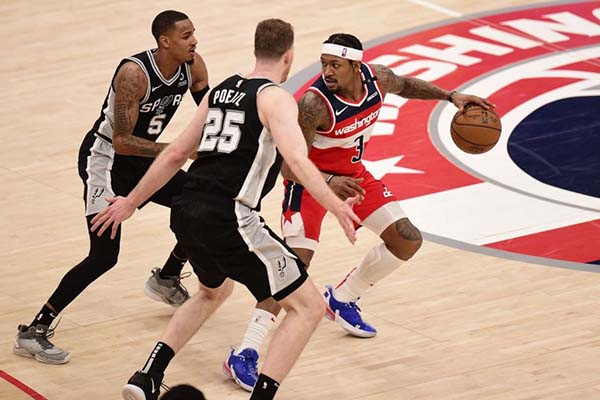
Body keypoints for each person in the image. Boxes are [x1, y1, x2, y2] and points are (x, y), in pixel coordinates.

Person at [90, 18, 360, 400]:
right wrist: (336, 206)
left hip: (186, 210)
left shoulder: (221, 91)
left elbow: (176, 153)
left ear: (256, 50)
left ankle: (146, 376)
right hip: (231, 217)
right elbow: (298, 162)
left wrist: (131, 202)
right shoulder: (275, 98)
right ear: (288, 56)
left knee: (212, 292)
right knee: (309, 308)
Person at [223, 32, 495, 391]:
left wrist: (450, 96)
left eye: (335, 65)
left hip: (353, 177)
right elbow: (289, 165)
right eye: (324, 64)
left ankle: (342, 297)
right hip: (310, 184)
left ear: (356, 65)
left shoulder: (378, 78)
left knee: (407, 239)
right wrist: (328, 181)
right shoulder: (314, 104)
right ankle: (245, 351)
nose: (327, 71)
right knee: (293, 269)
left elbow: (407, 86)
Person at [13, 10, 210, 365]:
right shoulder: (135, 74)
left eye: (193, 33)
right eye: (186, 36)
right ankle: (34, 330)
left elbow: (211, 116)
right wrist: (176, 150)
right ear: (165, 42)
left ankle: (167, 277)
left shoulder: (193, 66)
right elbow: (121, 141)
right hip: (105, 160)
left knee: (202, 205)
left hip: (145, 159)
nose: (194, 41)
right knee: (104, 256)